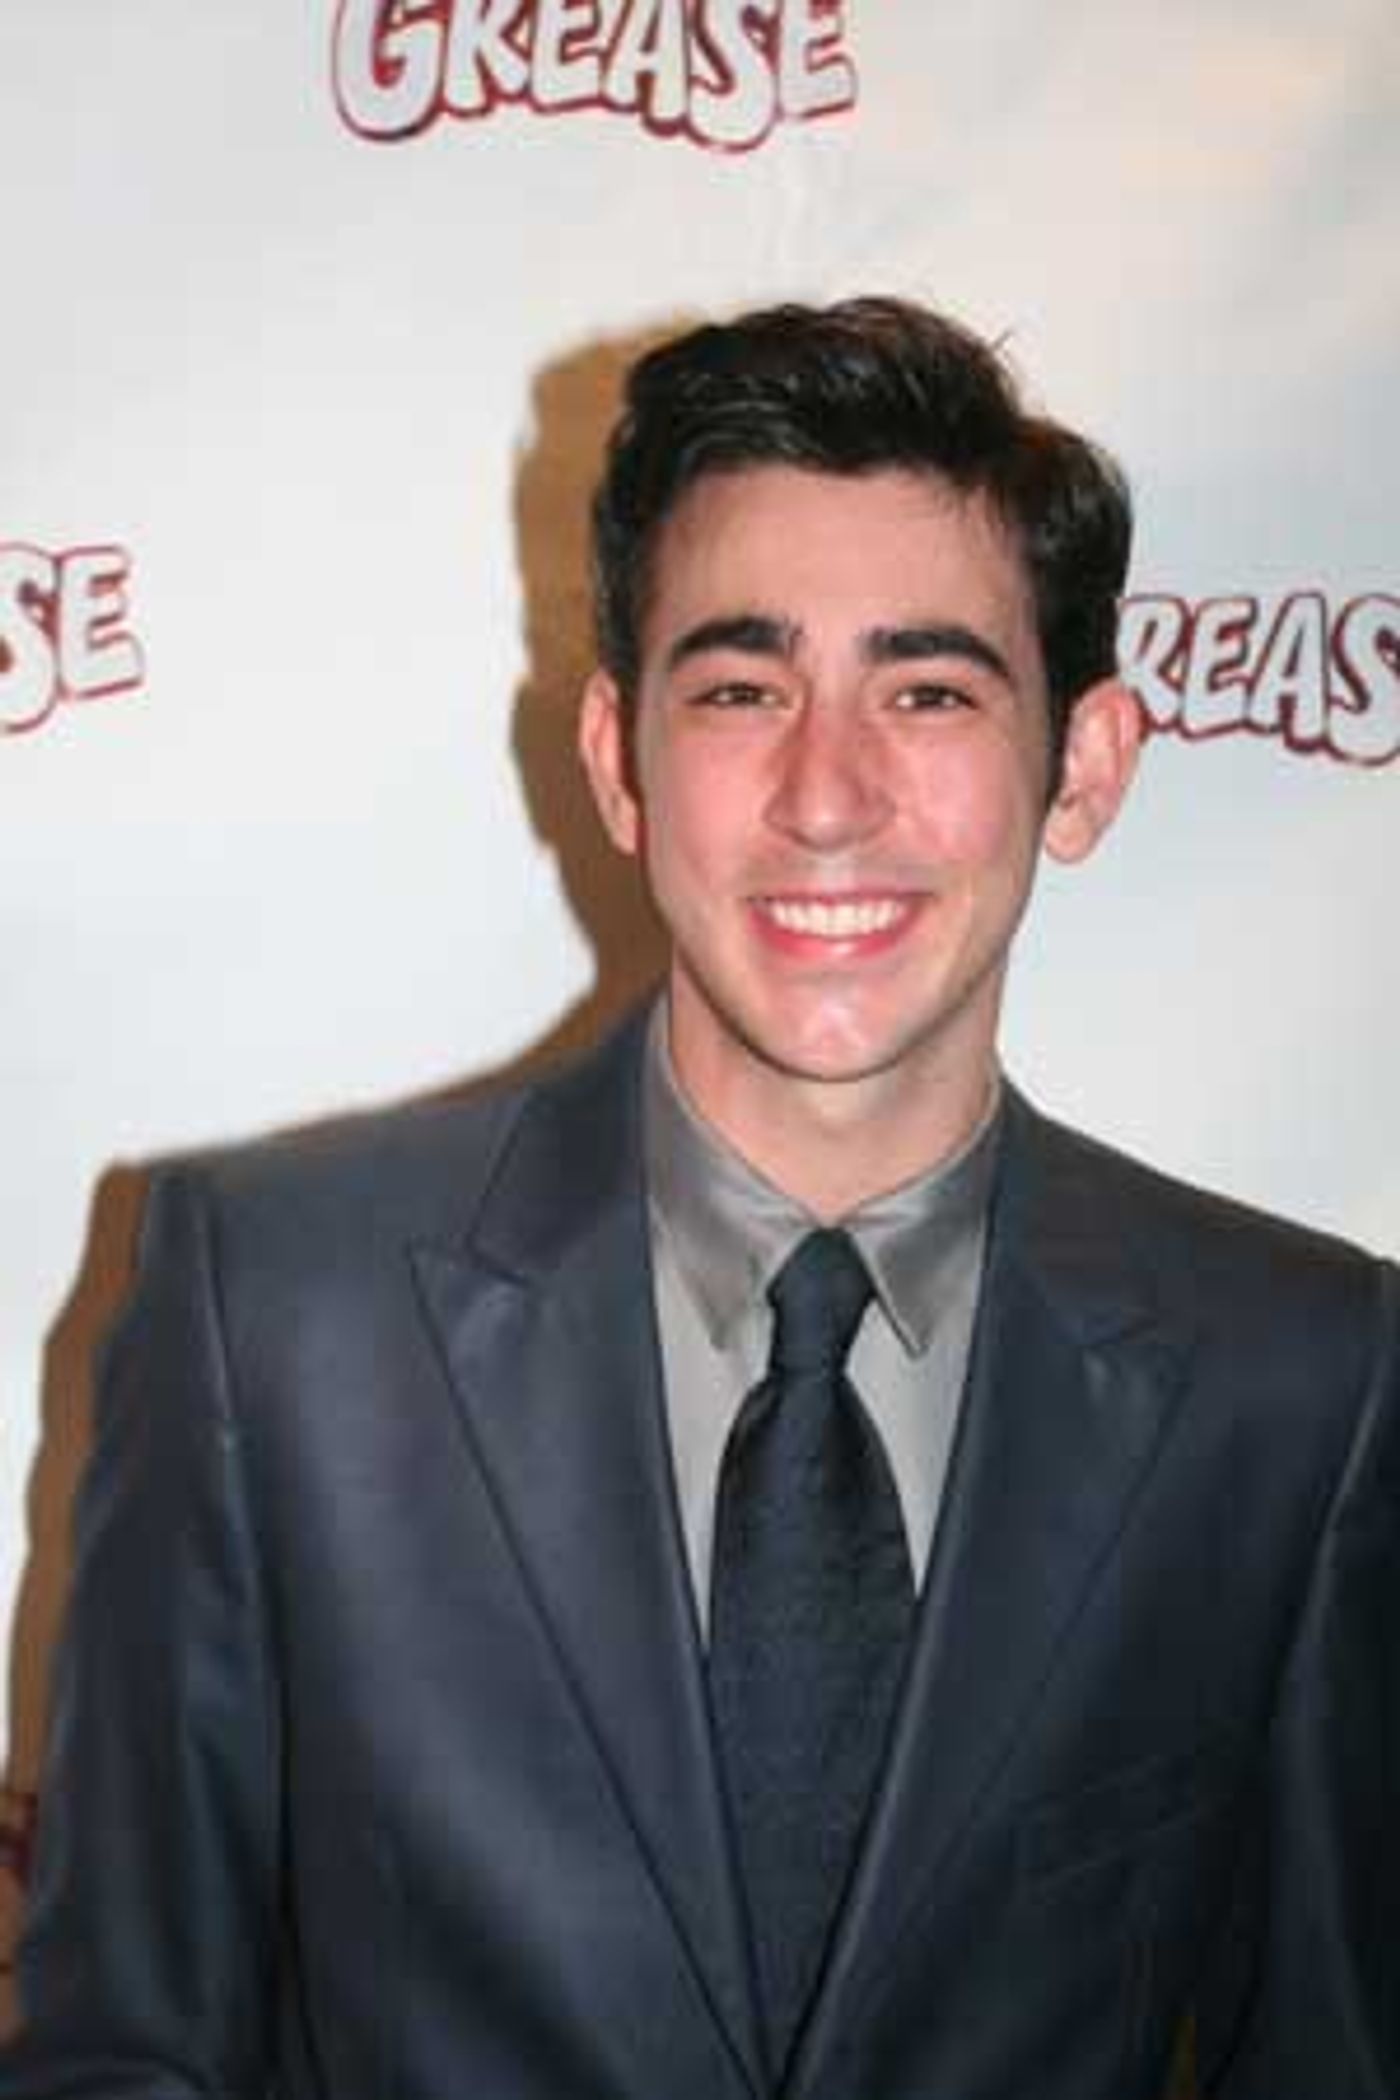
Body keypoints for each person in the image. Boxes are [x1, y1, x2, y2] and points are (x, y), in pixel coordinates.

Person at [2, 297, 1396, 2100]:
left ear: (1088, 762)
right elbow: (120, 2058)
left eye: (930, 690)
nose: (828, 796)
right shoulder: (272, 1318)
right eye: (743, 689)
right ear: (616, 759)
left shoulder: (1300, 1381)